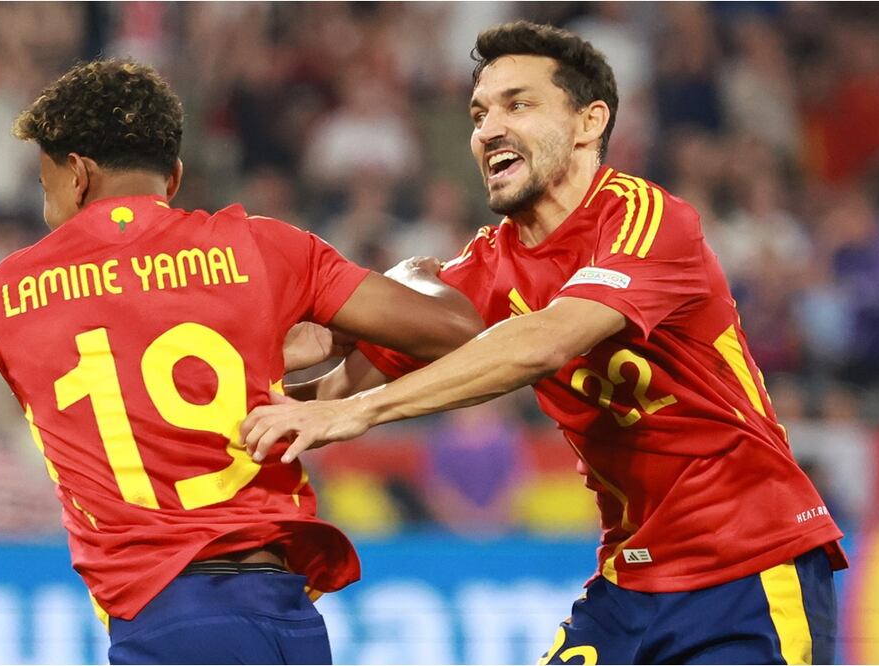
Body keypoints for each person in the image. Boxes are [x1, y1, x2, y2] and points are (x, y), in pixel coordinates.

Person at [243, 21, 848, 665]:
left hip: (749, 565)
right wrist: (294, 372)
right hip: (630, 580)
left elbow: (545, 341)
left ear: (590, 122)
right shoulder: (487, 267)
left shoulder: (647, 218)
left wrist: (354, 411)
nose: (488, 129)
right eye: (479, 113)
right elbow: (335, 389)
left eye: (518, 104)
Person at [0, 59, 481, 665]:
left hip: (164, 619)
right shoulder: (264, 248)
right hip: (283, 614)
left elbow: (118, 381)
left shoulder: (3, 298)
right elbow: (456, 330)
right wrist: (411, 275)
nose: (47, 206)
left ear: (77, 174)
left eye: (45, 185)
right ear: (175, 176)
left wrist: (260, 353)